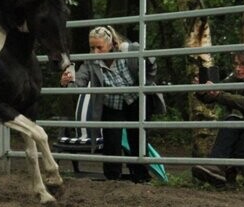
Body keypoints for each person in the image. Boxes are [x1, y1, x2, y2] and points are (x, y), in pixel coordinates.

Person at [60, 25, 166, 183]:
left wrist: (145, 83)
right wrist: (66, 82)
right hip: (112, 103)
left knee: (137, 138)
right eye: (92, 47)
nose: (95, 51)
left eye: (99, 47)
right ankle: (112, 178)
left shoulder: (130, 50)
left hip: (135, 99)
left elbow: (151, 63)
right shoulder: (91, 62)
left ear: (111, 45)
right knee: (111, 141)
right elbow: (78, 84)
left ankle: (141, 177)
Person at [191, 50, 244, 187]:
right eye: (236, 64)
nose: (238, 68)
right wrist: (203, 92)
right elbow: (218, 92)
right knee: (233, 121)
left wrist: (218, 94)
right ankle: (217, 166)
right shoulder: (237, 78)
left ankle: (230, 171)